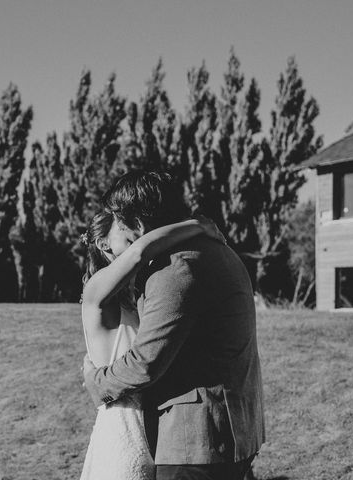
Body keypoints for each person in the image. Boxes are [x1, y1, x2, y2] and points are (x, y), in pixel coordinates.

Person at [83, 171, 265, 480]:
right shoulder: (222, 252)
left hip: (196, 440)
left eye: (123, 226)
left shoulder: (175, 270)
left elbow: (144, 365)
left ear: (137, 224)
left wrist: (96, 382)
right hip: (227, 429)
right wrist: (195, 225)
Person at [79, 210, 225, 480]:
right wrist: (195, 225)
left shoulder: (133, 296)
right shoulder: (94, 291)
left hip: (155, 419)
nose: (138, 235)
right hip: (123, 423)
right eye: (127, 231)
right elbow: (140, 252)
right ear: (104, 244)